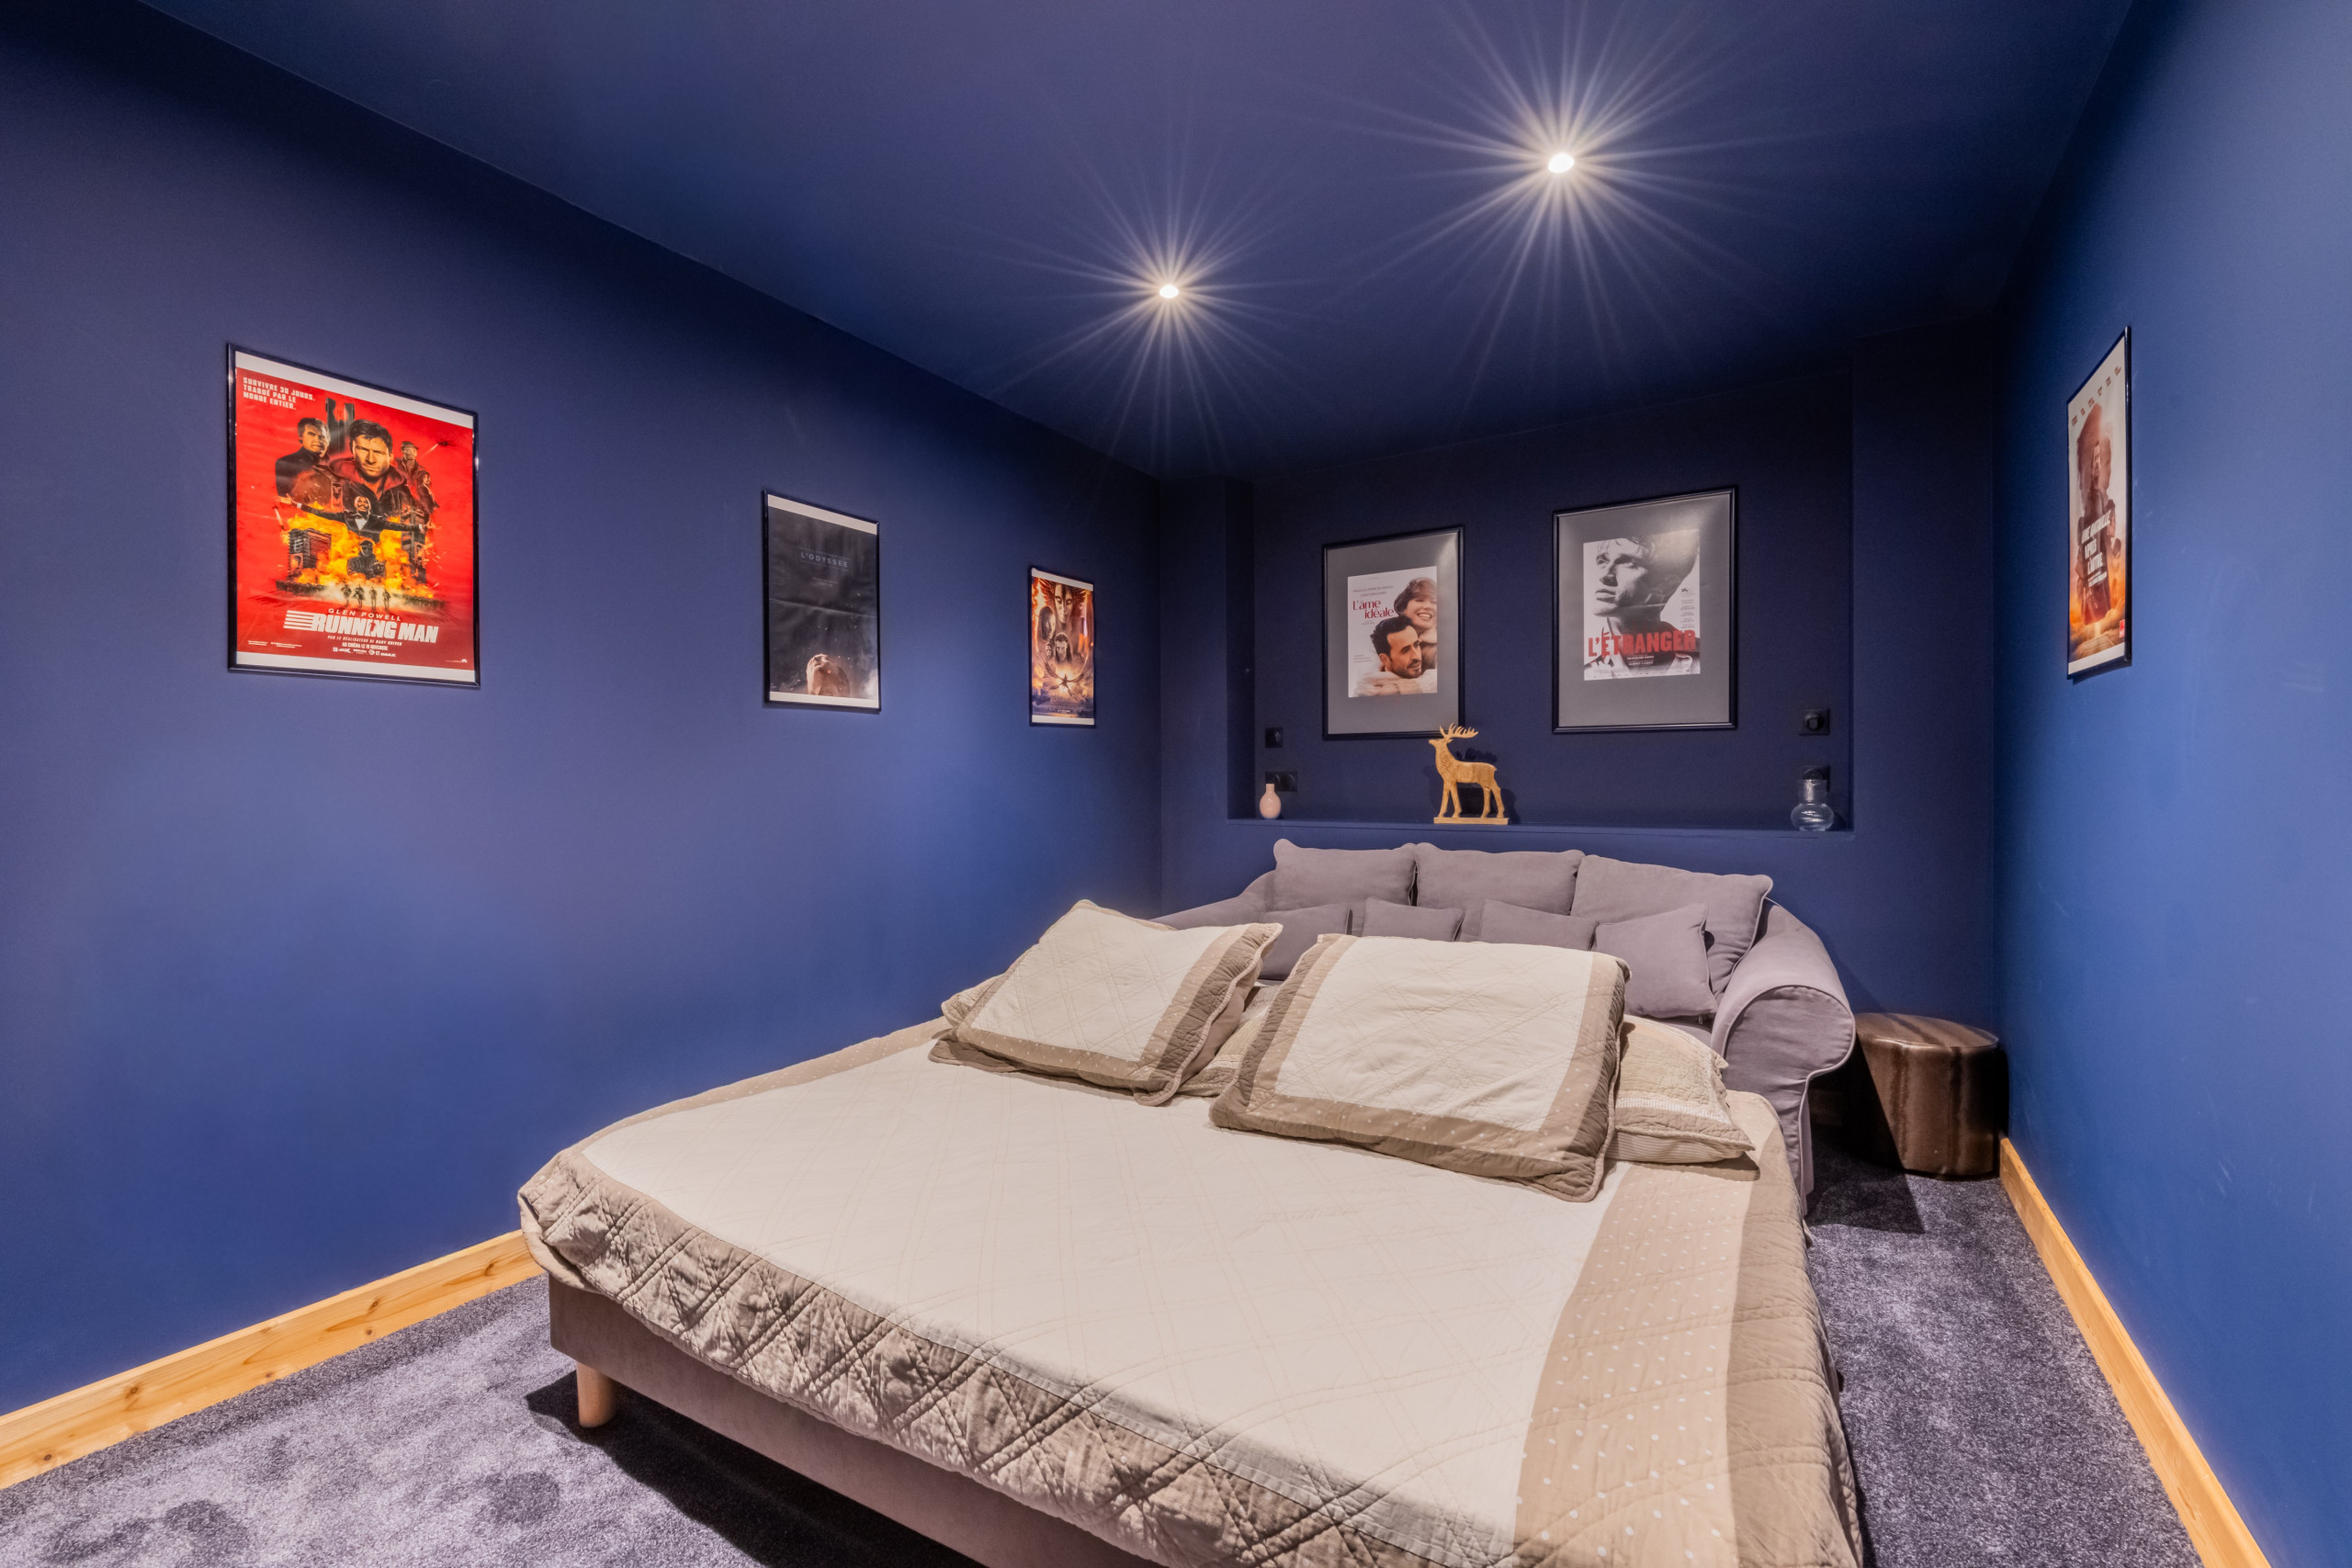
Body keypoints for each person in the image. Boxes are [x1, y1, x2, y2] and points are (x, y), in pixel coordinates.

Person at [1585, 532, 1700, 678]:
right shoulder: (1576, 667)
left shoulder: (1708, 658)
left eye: (1626, 562)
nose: (1604, 575)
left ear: (1666, 585)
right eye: (1602, 561)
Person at [2073, 402, 2122, 635]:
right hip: (2090, 587)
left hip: (2104, 578)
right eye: (2093, 458)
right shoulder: (2083, 520)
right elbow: (2079, 562)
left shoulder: (2107, 504)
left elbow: (2112, 534)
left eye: (2099, 459)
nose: (2096, 464)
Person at [1353, 615, 1426, 696]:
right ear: (1385, 660)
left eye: (1416, 645)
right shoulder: (1370, 693)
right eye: (1405, 651)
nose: (1416, 656)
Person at [1393, 576, 1439, 676]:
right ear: (1403, 608)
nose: (1428, 606)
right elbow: (1369, 676)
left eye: (1434, 602)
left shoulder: (1442, 644)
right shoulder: (1387, 635)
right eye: (1420, 600)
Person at [274, 418, 328, 501]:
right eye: (312, 434)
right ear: (301, 437)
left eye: (322, 437)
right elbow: (285, 499)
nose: (317, 440)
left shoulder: (334, 464)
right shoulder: (286, 463)